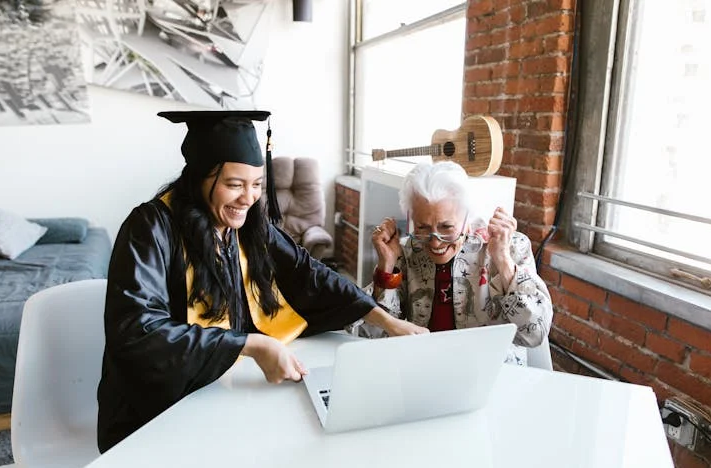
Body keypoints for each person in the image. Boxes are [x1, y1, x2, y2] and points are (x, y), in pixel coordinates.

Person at [97, 110, 427, 452]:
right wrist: (250, 344)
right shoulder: (150, 229)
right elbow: (138, 333)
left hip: (229, 391)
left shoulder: (247, 226)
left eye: (256, 184)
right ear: (199, 177)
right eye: (234, 185)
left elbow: (308, 273)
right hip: (158, 413)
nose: (248, 198)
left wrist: (386, 320)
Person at [347, 161, 553, 365]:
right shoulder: (409, 249)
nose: (435, 242)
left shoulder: (511, 246)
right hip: (423, 367)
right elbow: (374, 335)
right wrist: (387, 265)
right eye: (422, 227)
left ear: (467, 218)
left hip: (492, 371)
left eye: (446, 227)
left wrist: (503, 260)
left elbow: (534, 334)